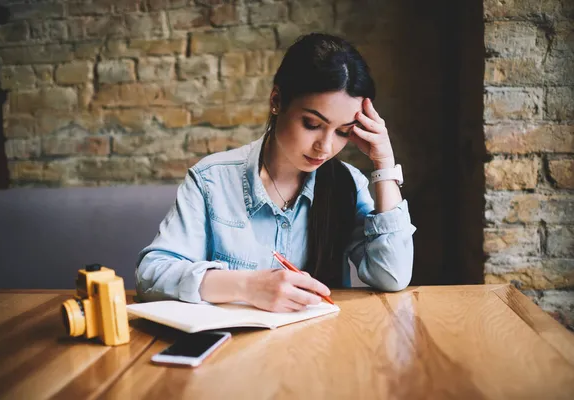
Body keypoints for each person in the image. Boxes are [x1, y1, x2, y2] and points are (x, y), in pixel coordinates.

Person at [136, 33, 417, 312]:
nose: (326, 146)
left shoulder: (346, 185)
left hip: (322, 347)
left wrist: (385, 164)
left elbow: (392, 276)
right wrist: (247, 286)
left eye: (343, 132)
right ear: (277, 100)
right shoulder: (212, 180)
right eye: (311, 123)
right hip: (232, 350)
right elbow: (152, 274)